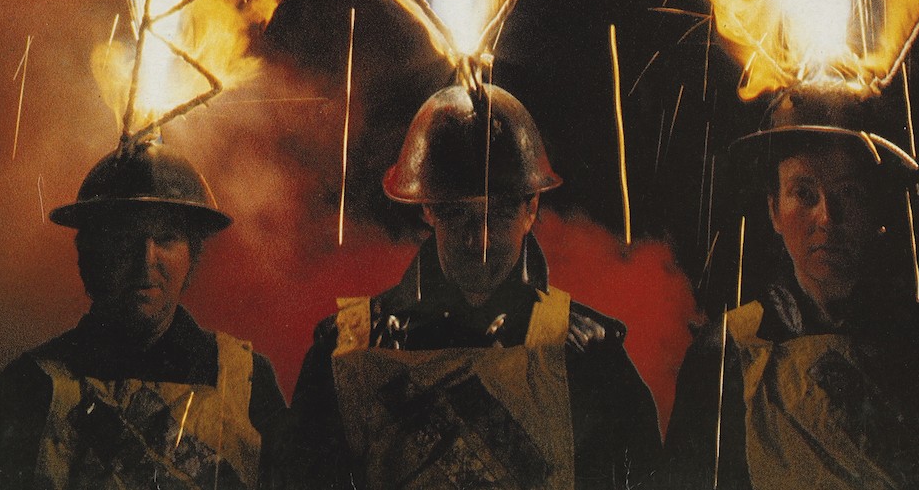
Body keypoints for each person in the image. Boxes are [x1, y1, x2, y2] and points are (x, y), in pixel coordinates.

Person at [275, 81, 662, 489]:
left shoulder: (589, 360)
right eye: (459, 215)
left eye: (498, 214)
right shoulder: (345, 355)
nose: (479, 240)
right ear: (427, 209)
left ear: (531, 209)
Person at [663, 88, 919, 489]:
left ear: (878, 209)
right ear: (774, 211)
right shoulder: (726, 354)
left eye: (848, 193)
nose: (826, 217)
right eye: (803, 194)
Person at [0, 139, 285, 489]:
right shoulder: (27, 389)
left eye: (166, 238)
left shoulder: (248, 382)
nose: (147, 259)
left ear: (192, 255)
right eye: (125, 238)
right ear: (90, 253)